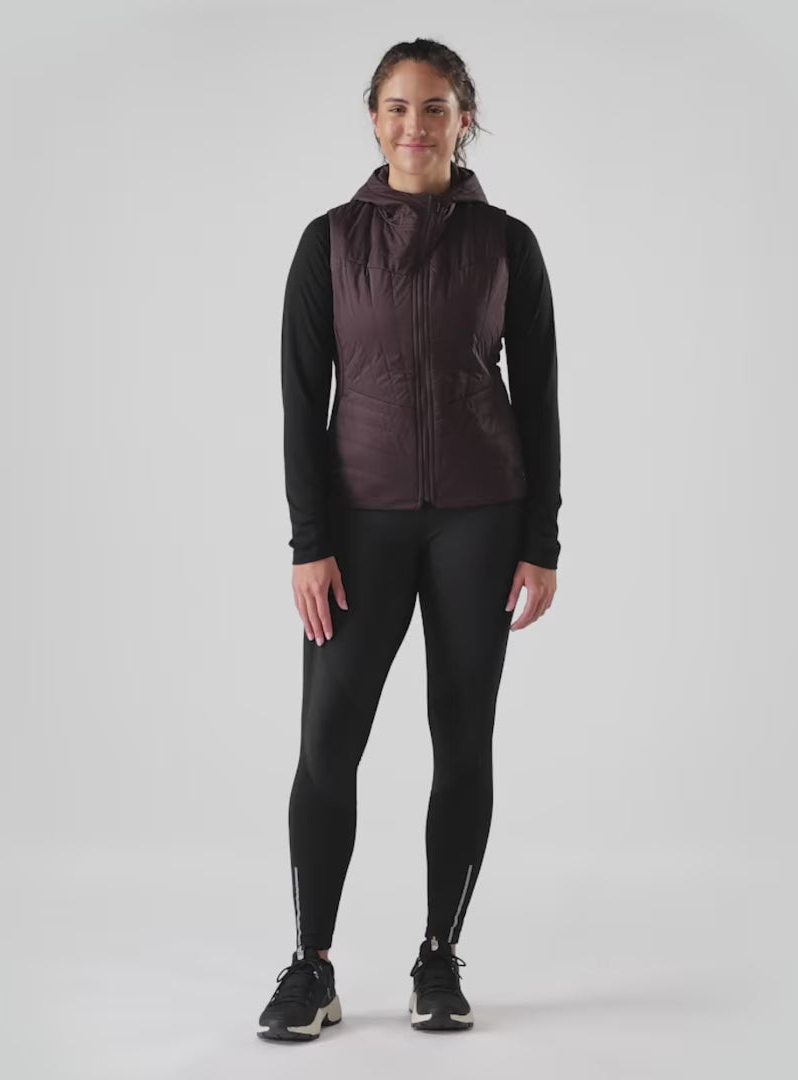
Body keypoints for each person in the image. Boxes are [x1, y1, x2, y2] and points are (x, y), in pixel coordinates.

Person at [257, 37, 562, 1042]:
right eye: (397, 107)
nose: (415, 126)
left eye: (435, 108)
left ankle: (439, 954)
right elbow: (302, 401)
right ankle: (311, 966)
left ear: (463, 119)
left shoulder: (507, 244)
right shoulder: (328, 243)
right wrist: (309, 542)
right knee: (326, 745)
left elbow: (539, 396)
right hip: (359, 527)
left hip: (482, 520)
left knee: (462, 739)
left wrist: (543, 540)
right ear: (374, 118)